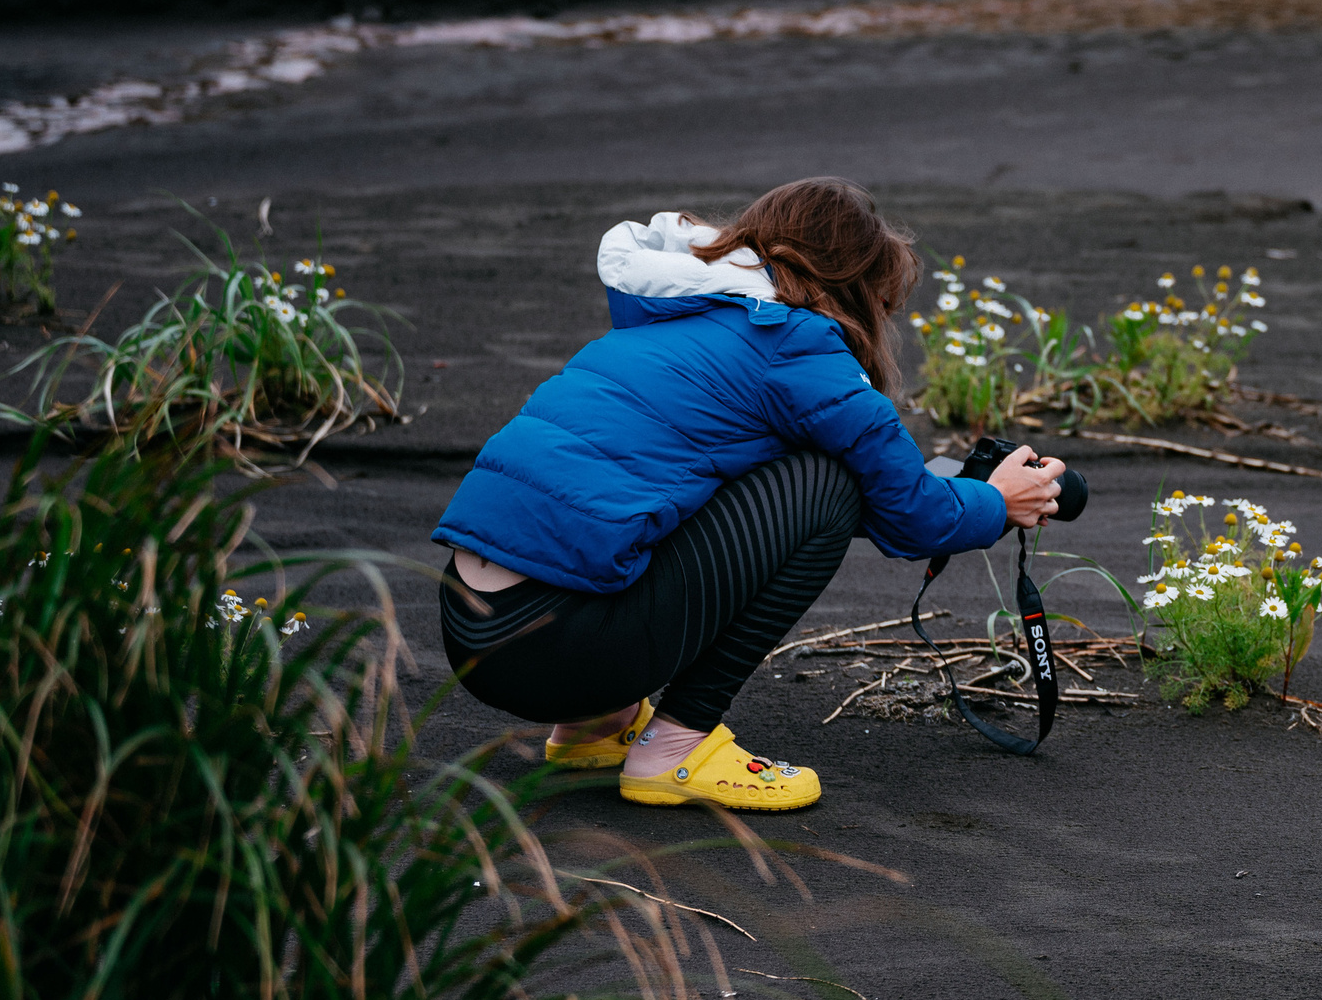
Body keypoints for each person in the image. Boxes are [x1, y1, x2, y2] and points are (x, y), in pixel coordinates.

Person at [431, 178, 1066, 812]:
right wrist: (999, 502)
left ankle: (596, 727)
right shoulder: (793, 342)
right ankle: (674, 748)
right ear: (850, 284)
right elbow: (913, 519)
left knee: (681, 490)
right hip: (558, 651)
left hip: (472, 634)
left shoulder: (678, 320)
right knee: (828, 486)